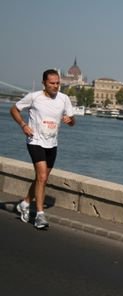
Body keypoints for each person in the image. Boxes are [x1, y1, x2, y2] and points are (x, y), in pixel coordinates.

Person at [10, 69, 75, 229]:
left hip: (52, 143)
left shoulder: (64, 99)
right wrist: (23, 125)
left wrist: (69, 120)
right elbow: (14, 110)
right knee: (42, 176)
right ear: (44, 83)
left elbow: (73, 121)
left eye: (58, 83)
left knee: (42, 178)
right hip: (35, 141)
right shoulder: (34, 97)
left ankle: (25, 203)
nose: (55, 86)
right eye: (52, 83)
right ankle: (39, 215)